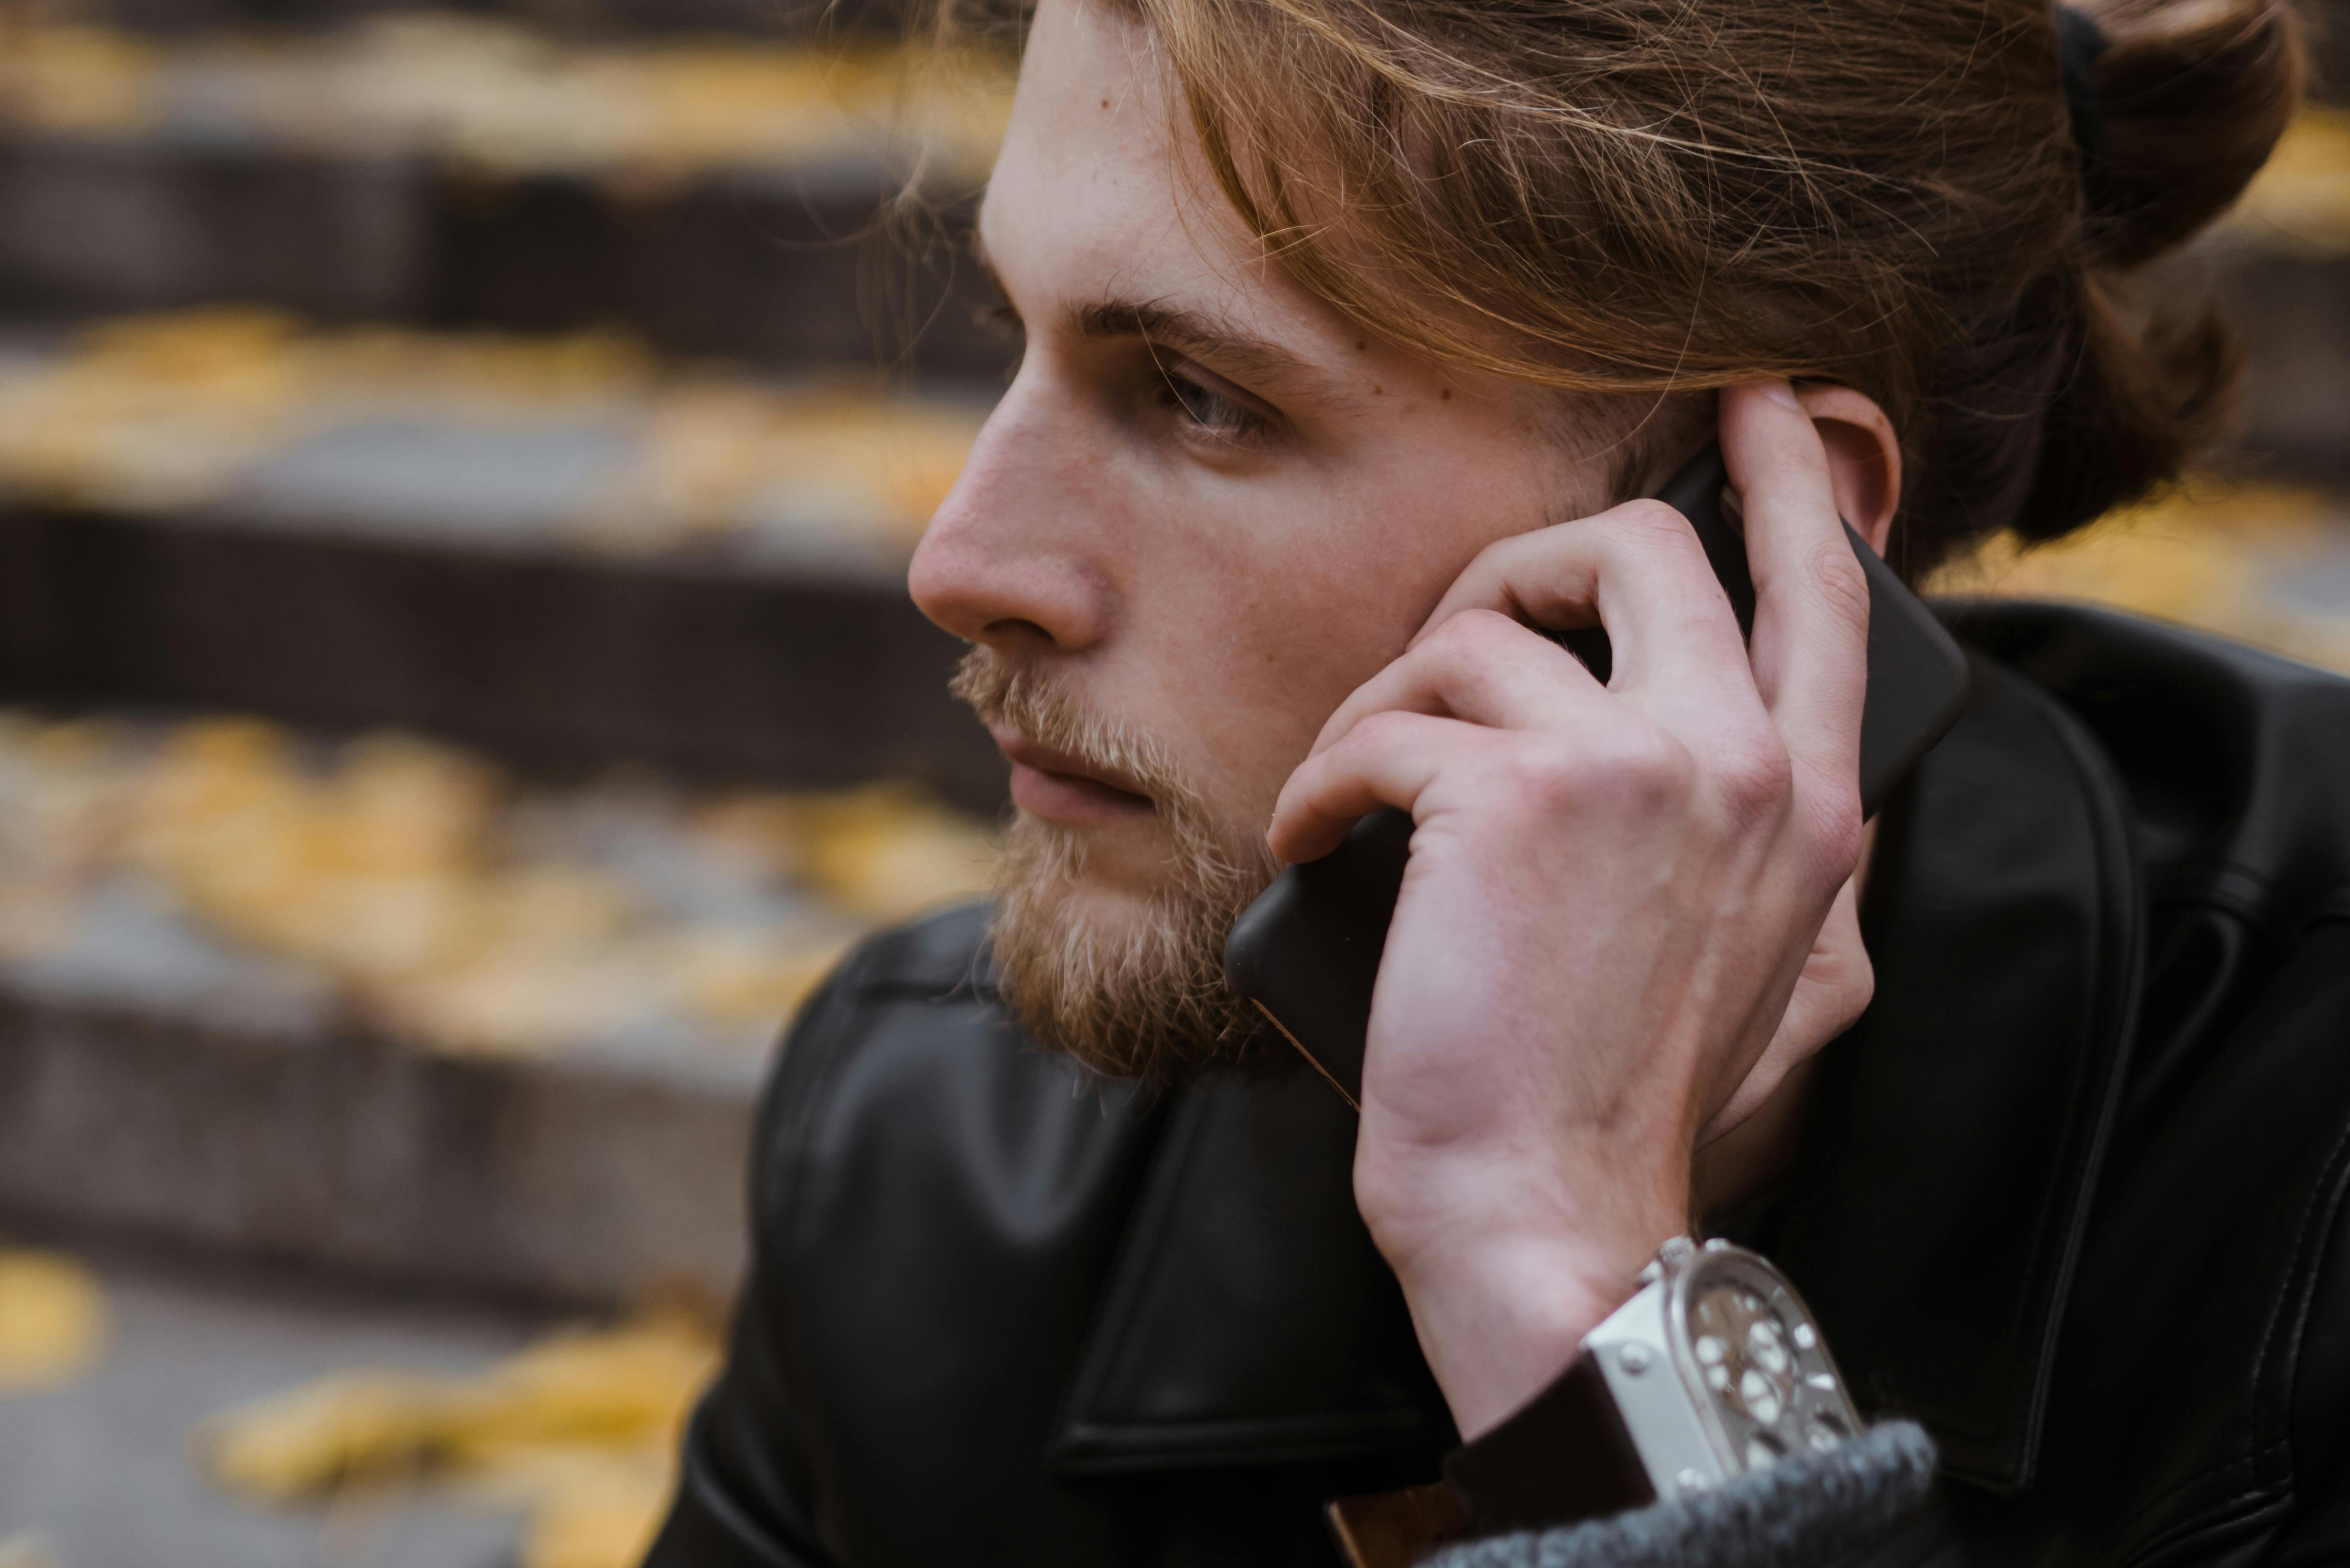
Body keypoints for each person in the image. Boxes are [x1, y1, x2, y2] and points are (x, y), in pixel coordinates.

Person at [644, 0, 2349, 1560]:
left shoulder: (2307, 1167)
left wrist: (1564, 1282)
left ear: (1766, 542)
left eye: (1198, 394)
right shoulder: (922, 1160)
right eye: (1016, 332)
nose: (964, 558)